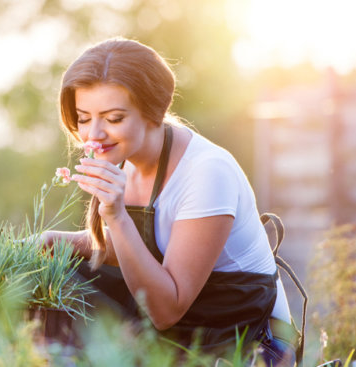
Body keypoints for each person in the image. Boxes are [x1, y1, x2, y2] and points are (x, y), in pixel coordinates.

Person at [40, 38, 301, 366]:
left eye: (114, 118)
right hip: (184, 326)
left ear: (153, 112)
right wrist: (50, 242)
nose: (94, 134)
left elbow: (165, 310)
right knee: (56, 276)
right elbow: (134, 249)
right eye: (83, 117)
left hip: (243, 340)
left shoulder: (206, 172)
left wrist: (116, 214)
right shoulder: (123, 154)